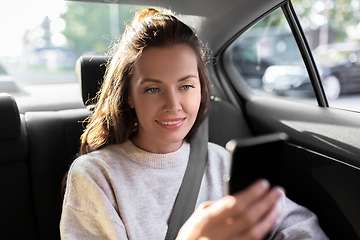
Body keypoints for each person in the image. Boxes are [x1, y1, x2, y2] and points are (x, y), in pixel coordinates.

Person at [60, 8, 329, 240]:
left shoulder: (221, 162)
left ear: (202, 89)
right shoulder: (95, 176)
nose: (173, 104)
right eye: (153, 89)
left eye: (186, 86)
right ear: (129, 95)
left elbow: (298, 226)